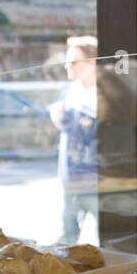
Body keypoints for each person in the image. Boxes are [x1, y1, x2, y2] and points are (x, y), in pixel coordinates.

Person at [49, 36, 98, 243]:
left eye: (74, 61)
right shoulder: (72, 91)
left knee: (109, 238)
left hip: (96, 180)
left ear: (91, 62)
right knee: (66, 240)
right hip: (72, 179)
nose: (68, 67)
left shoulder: (104, 95)